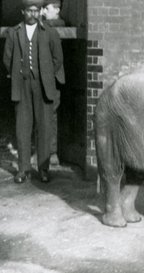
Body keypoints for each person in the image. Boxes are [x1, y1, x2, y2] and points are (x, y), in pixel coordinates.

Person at [2, 0, 64, 183]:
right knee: (22, 128)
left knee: (44, 128)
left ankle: (43, 169)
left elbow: (57, 59)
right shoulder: (14, 33)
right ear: (23, 11)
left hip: (43, 86)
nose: (33, 14)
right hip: (21, 85)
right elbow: (7, 59)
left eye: (36, 11)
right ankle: (23, 169)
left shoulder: (50, 33)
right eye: (29, 10)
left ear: (40, 12)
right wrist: (17, 74)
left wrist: (46, 74)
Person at [41, 0, 66, 165]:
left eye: (58, 8)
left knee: (51, 115)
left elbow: (57, 23)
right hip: (39, 77)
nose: (57, 11)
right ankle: (41, 152)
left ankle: (52, 152)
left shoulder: (58, 24)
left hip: (52, 78)